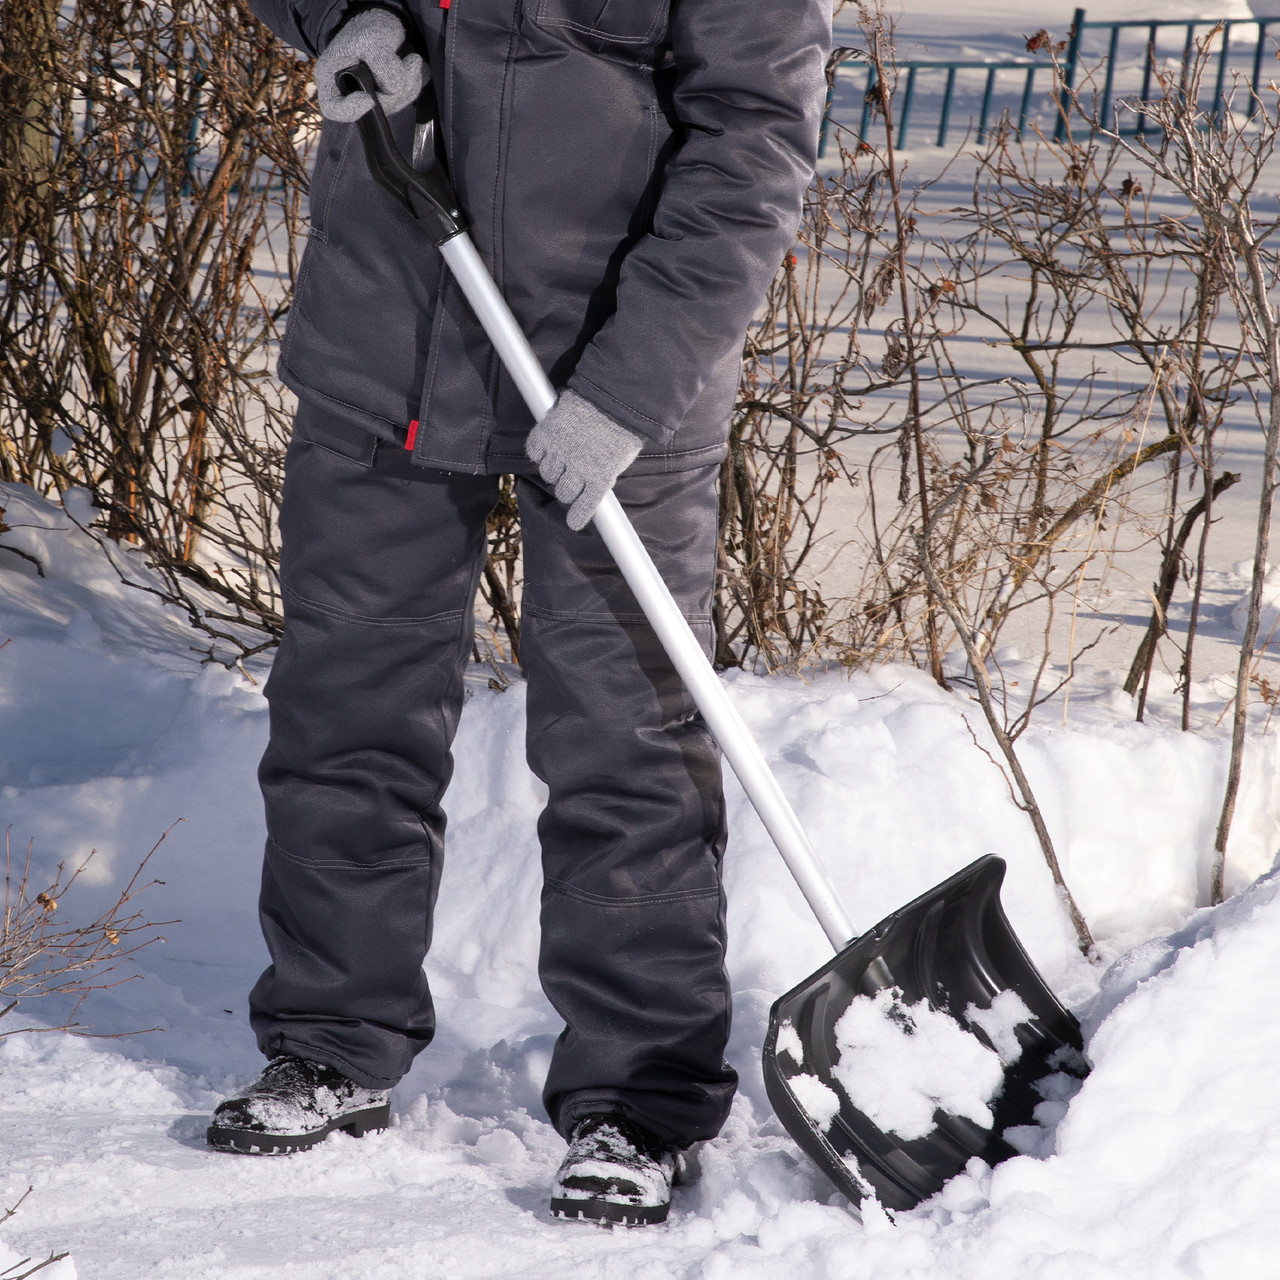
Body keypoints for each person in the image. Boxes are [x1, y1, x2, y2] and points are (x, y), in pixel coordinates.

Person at [206, 0, 829, 1227]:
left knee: (627, 743)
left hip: (614, 371)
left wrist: (631, 384)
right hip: (386, 335)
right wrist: (337, 19)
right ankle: (333, 1037)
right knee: (345, 708)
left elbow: (753, 137)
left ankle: (638, 1097)